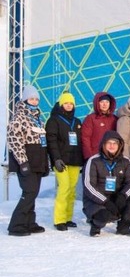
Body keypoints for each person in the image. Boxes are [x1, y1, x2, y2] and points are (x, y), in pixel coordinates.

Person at [7, 85, 48, 236]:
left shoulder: (37, 117)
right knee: (29, 192)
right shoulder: (18, 117)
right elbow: (14, 140)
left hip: (38, 160)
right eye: (31, 98)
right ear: (25, 99)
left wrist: (45, 163)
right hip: (26, 161)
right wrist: (22, 162)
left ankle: (29, 222)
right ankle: (16, 225)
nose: (34, 101)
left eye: (36, 99)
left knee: (34, 192)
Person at [82, 131, 130, 237]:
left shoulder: (126, 161)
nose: (112, 146)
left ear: (119, 145)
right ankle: (95, 226)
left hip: (117, 197)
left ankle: (123, 227)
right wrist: (105, 201)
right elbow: (88, 185)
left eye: (115, 143)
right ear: (103, 144)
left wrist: (123, 195)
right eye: (109, 143)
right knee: (103, 216)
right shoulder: (93, 161)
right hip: (97, 199)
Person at [45, 91, 84, 231]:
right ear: (61, 104)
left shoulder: (77, 121)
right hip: (61, 161)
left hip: (74, 160)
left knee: (72, 190)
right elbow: (51, 141)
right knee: (64, 188)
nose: (68, 105)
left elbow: (80, 142)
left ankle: (68, 218)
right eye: (66, 103)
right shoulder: (54, 120)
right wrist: (56, 159)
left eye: (71, 103)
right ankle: (59, 219)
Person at [81, 92, 117, 161]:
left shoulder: (114, 119)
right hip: (95, 156)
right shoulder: (91, 118)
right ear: (97, 103)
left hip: (111, 156)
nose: (105, 104)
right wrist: (89, 156)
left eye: (107, 102)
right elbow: (85, 138)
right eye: (102, 102)